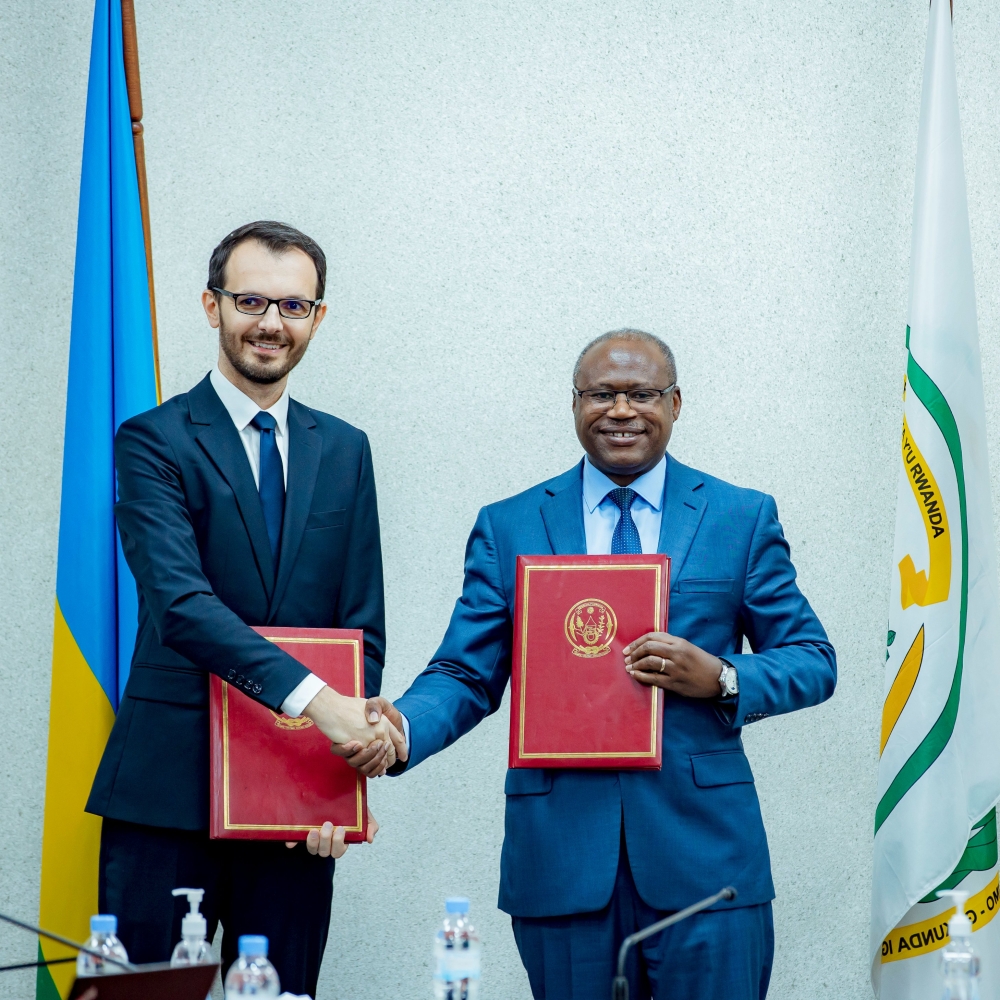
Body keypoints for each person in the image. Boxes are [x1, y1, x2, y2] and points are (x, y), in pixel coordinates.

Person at [373, 329, 836, 1000]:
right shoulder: (510, 525)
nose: (621, 410)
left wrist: (723, 677)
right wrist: (402, 730)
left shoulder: (739, 516)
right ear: (574, 404)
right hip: (561, 861)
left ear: (676, 403)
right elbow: (465, 673)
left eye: (642, 394)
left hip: (707, 862)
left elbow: (813, 659)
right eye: (601, 394)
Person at [85, 220, 406, 997]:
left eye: (293, 306)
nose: (271, 323)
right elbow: (182, 606)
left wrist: (345, 769)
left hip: (295, 806)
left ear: (318, 318)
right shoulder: (152, 440)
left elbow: (357, 627)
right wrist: (325, 706)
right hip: (167, 796)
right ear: (212, 304)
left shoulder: (346, 449)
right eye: (252, 300)